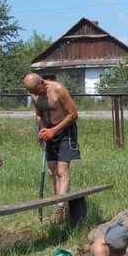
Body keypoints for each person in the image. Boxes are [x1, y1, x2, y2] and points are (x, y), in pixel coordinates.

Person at [23, 73, 80, 221]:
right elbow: (39, 115)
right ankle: (61, 204)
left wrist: (54, 131)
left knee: (62, 170)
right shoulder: (35, 94)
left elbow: (73, 114)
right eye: (32, 93)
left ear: (42, 82)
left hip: (65, 131)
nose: (35, 94)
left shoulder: (59, 89)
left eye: (36, 90)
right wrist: (42, 130)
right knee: (52, 171)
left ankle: (60, 209)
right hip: (48, 131)